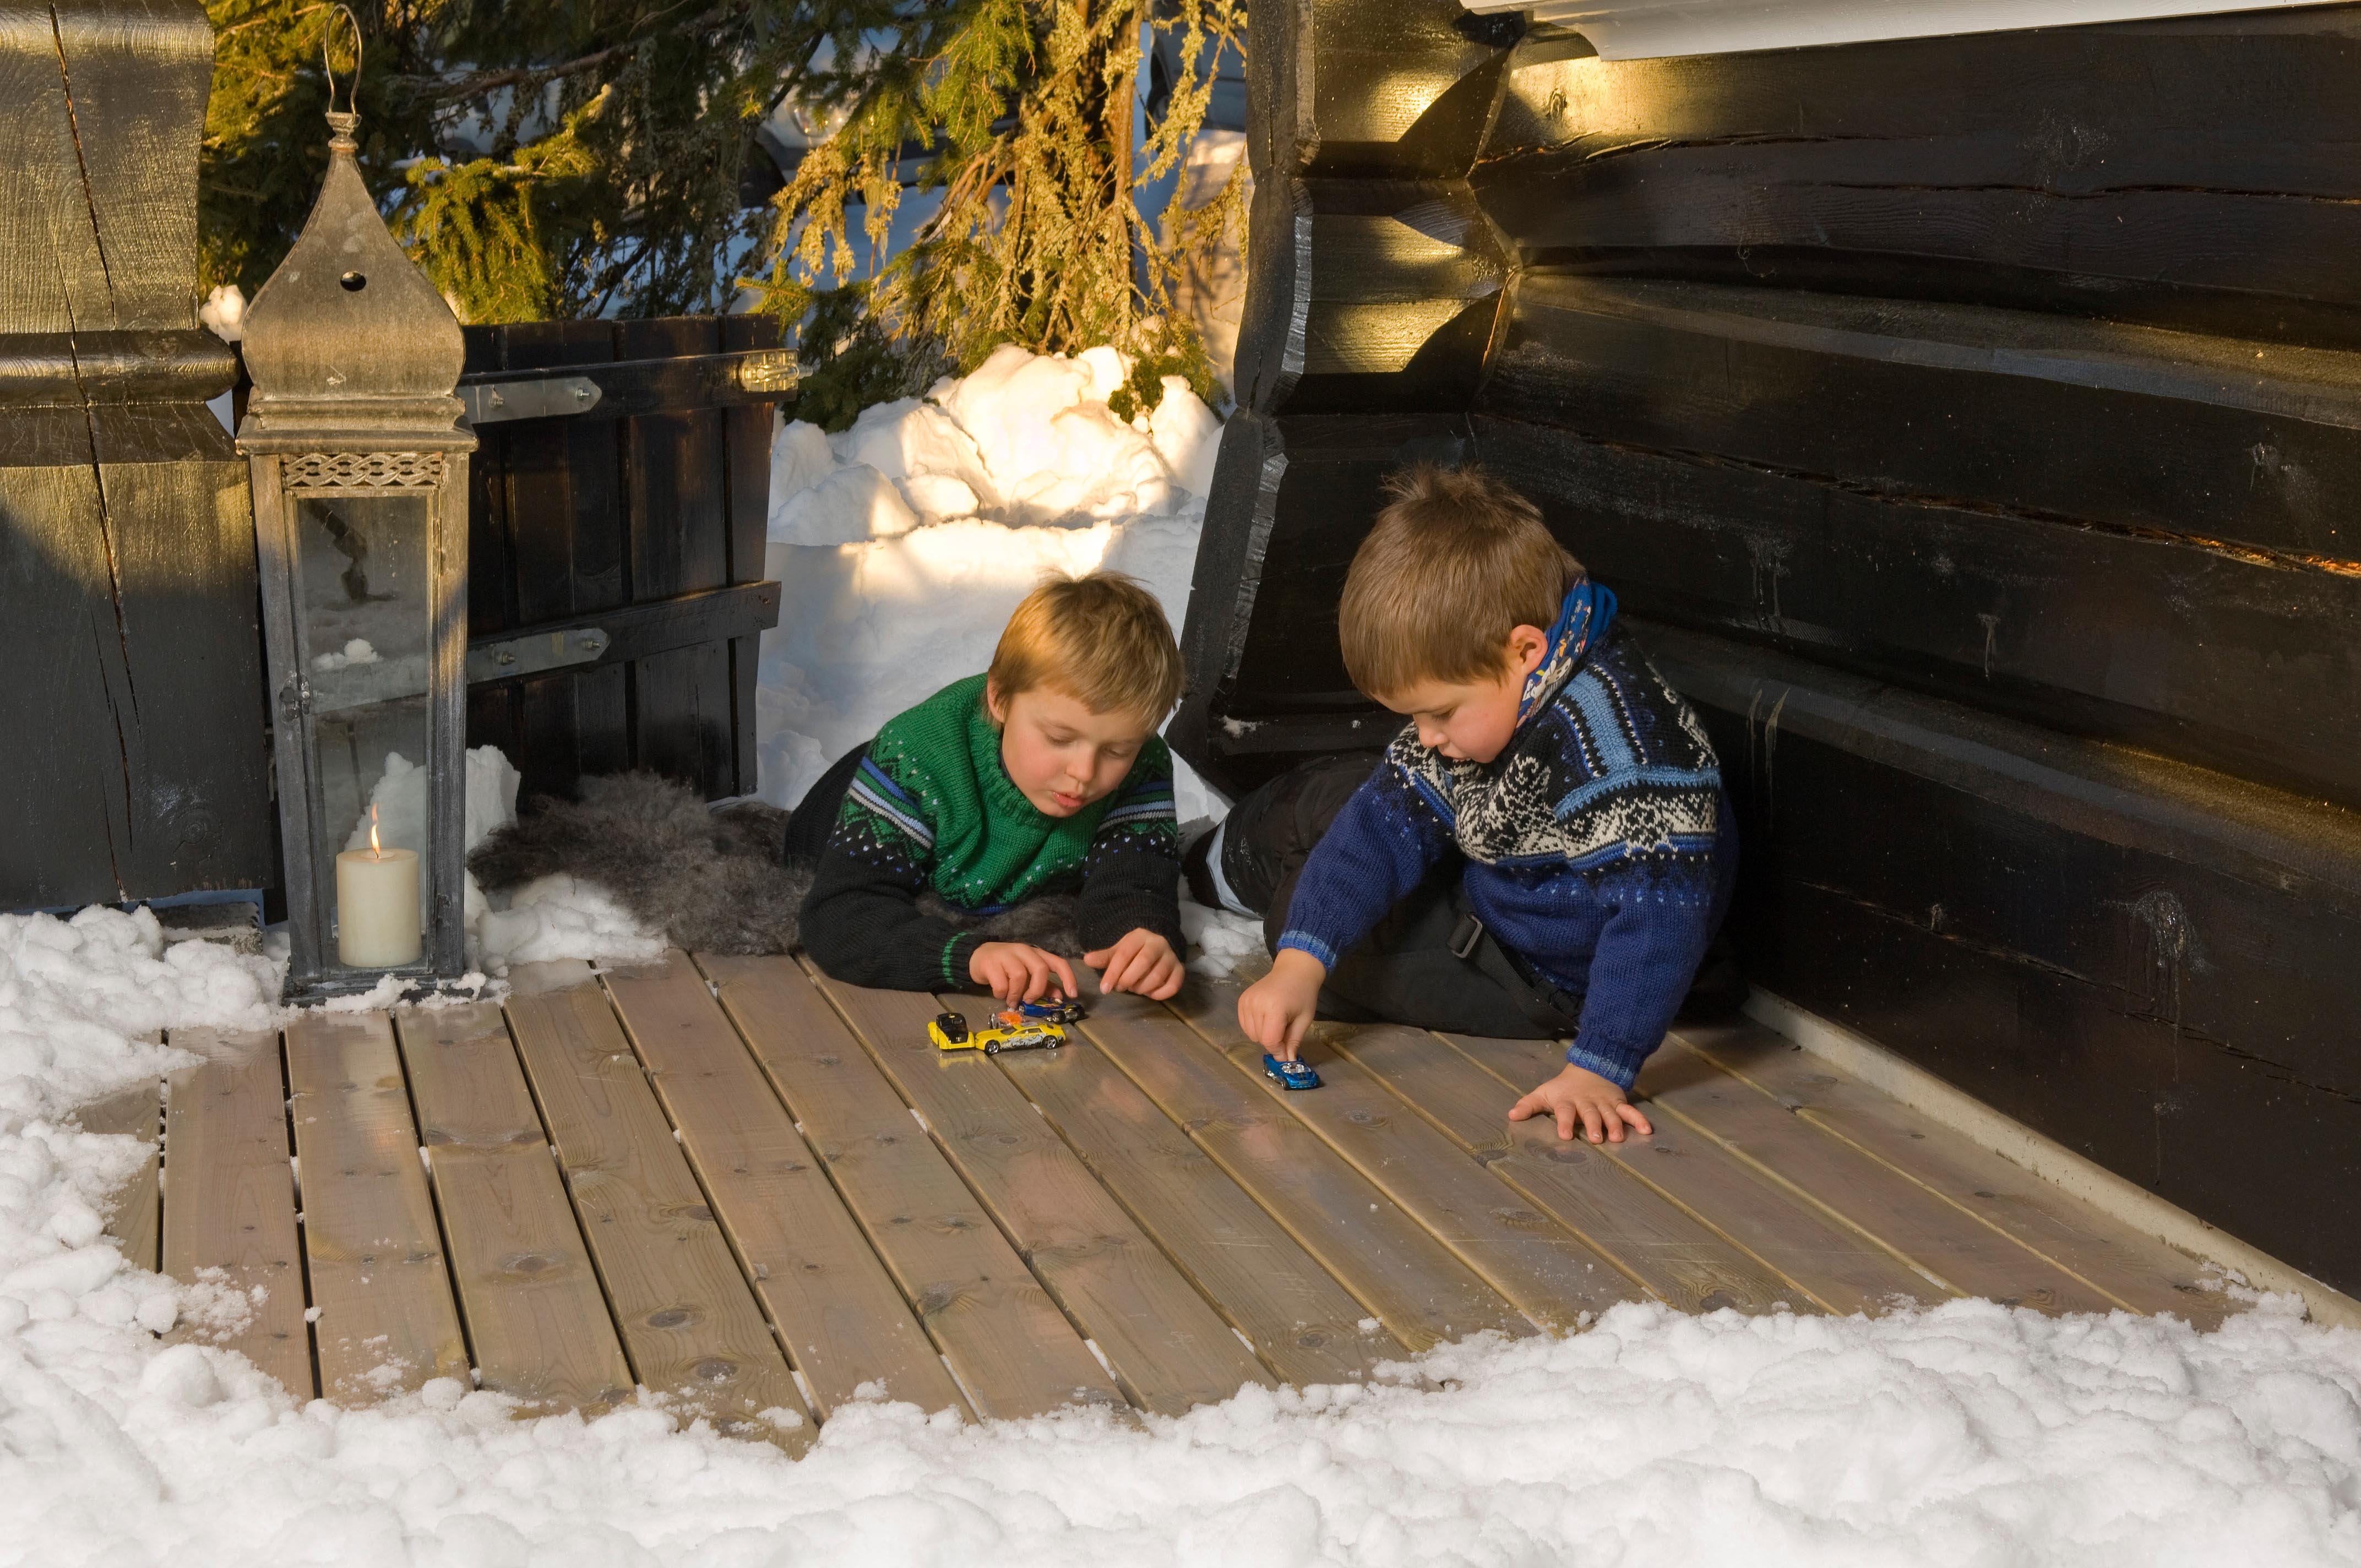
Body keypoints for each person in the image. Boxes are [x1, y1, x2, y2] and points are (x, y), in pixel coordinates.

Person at [1196, 466, 1737, 1144]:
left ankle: (1246, 873)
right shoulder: (1516, 686)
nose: (1425, 736)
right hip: (1496, 887)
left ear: (1524, 651)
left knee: (1305, 921)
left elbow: (1659, 917)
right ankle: (1219, 863)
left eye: (1440, 712)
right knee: (1349, 813)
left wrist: (1600, 1067)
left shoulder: (1623, 753)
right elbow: (1383, 819)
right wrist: (1304, 960)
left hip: (1543, 977)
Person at [794, 570, 1188, 1004]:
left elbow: (1134, 877)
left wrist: (1144, 935)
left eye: (1116, 751)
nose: (1084, 772)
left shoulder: (1142, 760)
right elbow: (840, 913)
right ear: (999, 699)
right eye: (1059, 739)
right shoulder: (914, 758)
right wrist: (969, 956)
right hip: (844, 815)